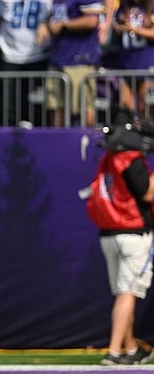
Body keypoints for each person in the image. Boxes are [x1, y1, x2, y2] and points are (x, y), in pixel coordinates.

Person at [88, 111, 153, 365]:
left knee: (123, 293)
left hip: (109, 234)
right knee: (128, 293)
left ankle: (130, 348)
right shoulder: (130, 159)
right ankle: (115, 352)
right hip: (133, 232)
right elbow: (147, 194)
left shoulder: (107, 159)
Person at [0, 0, 57, 126]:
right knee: (8, 102)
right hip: (10, 51)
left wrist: (46, 23)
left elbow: (57, 12)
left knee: (36, 101)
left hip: (38, 51)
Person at [46, 0, 103, 127]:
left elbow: (91, 20)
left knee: (84, 106)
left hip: (80, 58)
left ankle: (87, 143)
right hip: (59, 57)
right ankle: (57, 144)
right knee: (56, 106)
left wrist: (64, 25)